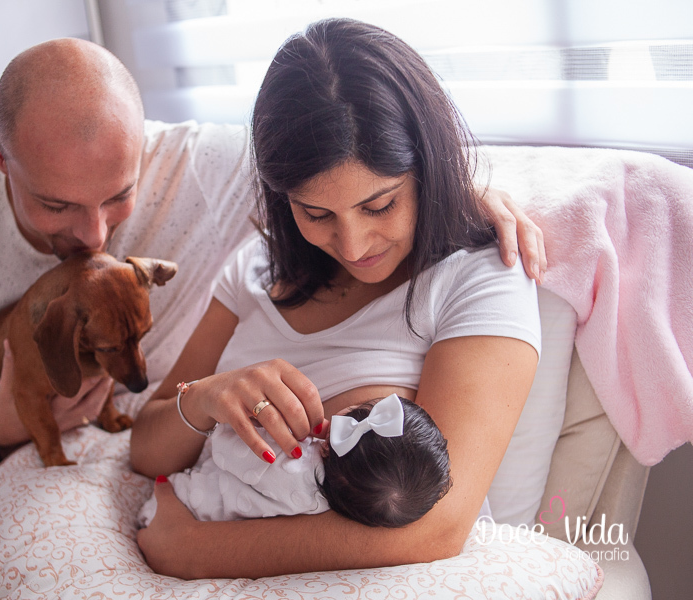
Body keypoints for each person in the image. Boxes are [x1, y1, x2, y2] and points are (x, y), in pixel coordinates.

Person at [0, 33, 543, 600]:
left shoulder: (212, 168)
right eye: (57, 206)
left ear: (148, 144)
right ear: (1, 159)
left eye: (118, 196)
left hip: (96, 462)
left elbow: (352, 143)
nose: (95, 235)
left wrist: (466, 189)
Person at [129, 18, 542, 580]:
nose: (353, 245)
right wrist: (206, 398)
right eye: (316, 213)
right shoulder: (255, 267)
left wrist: (193, 552)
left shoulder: (480, 279)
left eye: (379, 205)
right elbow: (146, 451)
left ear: (428, 166)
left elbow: (438, 524)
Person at [138, 393, 452, 528]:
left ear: (330, 447)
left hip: (187, 506)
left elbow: (225, 446)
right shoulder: (334, 499)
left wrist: (248, 420)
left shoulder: (290, 463)